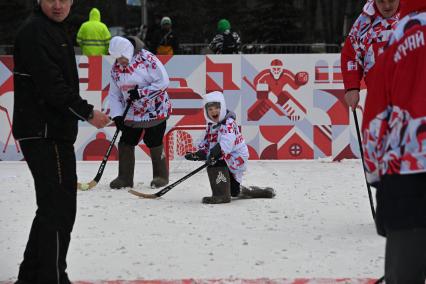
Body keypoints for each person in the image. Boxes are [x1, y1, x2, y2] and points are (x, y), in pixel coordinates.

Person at [12, 0, 110, 282]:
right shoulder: (36, 31)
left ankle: (31, 275)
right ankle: (52, 277)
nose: (58, 5)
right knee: (57, 208)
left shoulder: (55, 30)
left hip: (54, 132)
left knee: (55, 207)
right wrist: (87, 112)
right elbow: (51, 85)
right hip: (44, 132)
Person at [361, 0, 426, 282]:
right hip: (405, 175)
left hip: (404, 176)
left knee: (404, 275)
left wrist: (377, 178)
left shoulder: (399, 38)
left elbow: (374, 117)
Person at [185, 91, 275, 204]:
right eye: (210, 109)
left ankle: (221, 195)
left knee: (215, 160)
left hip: (236, 156)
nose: (214, 111)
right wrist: (199, 154)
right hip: (227, 155)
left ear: (222, 108)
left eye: (216, 108)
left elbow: (226, 145)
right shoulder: (211, 125)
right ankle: (259, 192)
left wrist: (212, 154)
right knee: (234, 191)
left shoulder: (229, 123)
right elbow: (209, 143)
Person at [108, 36, 171, 189]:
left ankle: (160, 176)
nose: (119, 61)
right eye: (116, 58)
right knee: (126, 141)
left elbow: (163, 82)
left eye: (121, 57)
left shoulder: (147, 58)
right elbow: (114, 93)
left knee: (153, 140)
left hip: (154, 109)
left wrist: (142, 93)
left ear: (128, 51)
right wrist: (117, 115)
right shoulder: (116, 69)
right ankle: (124, 178)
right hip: (131, 111)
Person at [341, 0, 400, 110]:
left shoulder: (415, 16)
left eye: (391, 0)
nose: (387, 6)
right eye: (381, 1)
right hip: (377, 97)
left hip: (412, 97)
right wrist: (351, 88)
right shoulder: (363, 22)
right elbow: (350, 55)